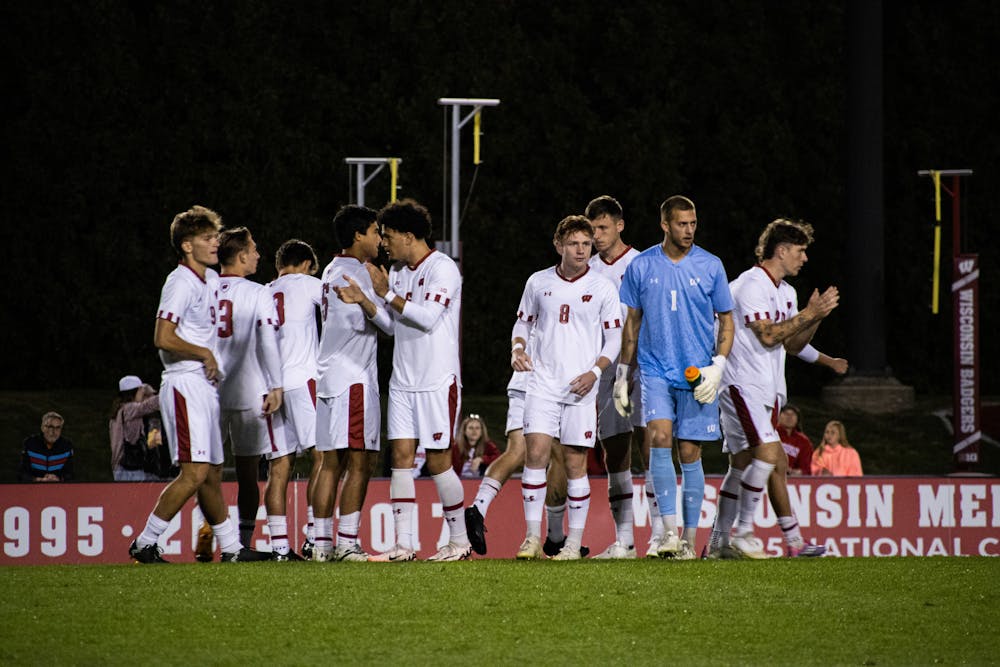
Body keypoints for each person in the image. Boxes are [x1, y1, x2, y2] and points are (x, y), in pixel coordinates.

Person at [129, 205, 267, 563]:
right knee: (193, 474)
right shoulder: (180, 282)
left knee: (212, 474)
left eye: (215, 237)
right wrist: (204, 353)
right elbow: (163, 336)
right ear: (187, 246)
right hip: (184, 384)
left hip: (206, 387)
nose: (214, 243)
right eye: (207, 238)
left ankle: (233, 549)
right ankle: (145, 541)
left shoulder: (207, 280)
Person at [707, 218, 839, 560]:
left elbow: (792, 342)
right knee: (770, 456)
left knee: (743, 465)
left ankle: (719, 543)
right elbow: (768, 334)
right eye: (800, 251)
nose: (804, 258)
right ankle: (744, 533)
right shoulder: (751, 285)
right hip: (741, 384)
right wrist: (808, 313)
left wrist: (815, 316)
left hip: (767, 390)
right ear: (781, 250)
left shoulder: (786, 291)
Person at [616, 195, 735, 559]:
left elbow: (727, 321)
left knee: (690, 452)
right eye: (682, 224)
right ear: (665, 225)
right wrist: (624, 373)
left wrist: (718, 365)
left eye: (693, 223)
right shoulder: (641, 265)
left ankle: (688, 538)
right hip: (655, 369)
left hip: (698, 373)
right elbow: (632, 322)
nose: (689, 230)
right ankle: (667, 532)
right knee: (659, 439)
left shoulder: (711, 266)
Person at [364, 198, 472, 562]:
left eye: (389, 235)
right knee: (400, 458)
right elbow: (394, 327)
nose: (384, 243)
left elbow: (426, 318)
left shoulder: (443, 269)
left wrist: (386, 295)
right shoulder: (397, 272)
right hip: (402, 381)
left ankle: (459, 541)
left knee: (440, 461)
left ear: (409, 236)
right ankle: (404, 545)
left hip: (437, 380)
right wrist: (368, 304)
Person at [510, 214, 622, 561]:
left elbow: (614, 337)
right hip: (542, 383)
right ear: (558, 245)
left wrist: (595, 372)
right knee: (536, 455)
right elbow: (522, 323)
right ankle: (531, 537)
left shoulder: (602, 287)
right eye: (574, 244)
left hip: (580, 387)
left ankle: (572, 544)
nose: (581, 250)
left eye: (586, 245)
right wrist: (517, 349)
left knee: (575, 463)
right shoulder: (538, 282)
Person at [311, 205, 392, 562]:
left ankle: (321, 544)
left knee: (332, 463)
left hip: (331, 377)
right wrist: (374, 296)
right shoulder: (356, 274)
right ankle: (345, 544)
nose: (379, 238)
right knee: (362, 462)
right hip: (353, 379)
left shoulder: (331, 269)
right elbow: (389, 326)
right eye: (375, 231)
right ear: (358, 236)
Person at [464, 338, 589, 559]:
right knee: (559, 454)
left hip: (522, 377)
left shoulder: (529, 303)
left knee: (516, 451)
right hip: (550, 380)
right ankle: (555, 536)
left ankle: (478, 507)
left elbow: (521, 327)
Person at [585, 195, 658, 560]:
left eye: (603, 227)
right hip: (607, 366)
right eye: (593, 228)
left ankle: (662, 535)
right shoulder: (589, 270)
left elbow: (647, 314)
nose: (597, 235)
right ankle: (625, 541)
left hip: (644, 363)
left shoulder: (642, 262)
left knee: (650, 442)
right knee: (614, 447)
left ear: (620, 226)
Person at [215, 227, 286, 557]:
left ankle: (216, 537)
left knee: (206, 474)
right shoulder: (258, 292)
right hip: (248, 393)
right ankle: (241, 544)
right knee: (247, 474)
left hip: (210, 394)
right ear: (241, 256)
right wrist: (276, 385)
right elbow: (268, 341)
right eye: (254, 249)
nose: (258, 255)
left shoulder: (204, 289)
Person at [268, 239, 324, 557]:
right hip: (303, 379)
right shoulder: (308, 283)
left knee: (279, 466)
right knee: (323, 457)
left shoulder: (265, 289)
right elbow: (338, 303)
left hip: (271, 387)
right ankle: (315, 536)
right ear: (305, 264)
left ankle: (278, 546)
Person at [108, 375, 161, 481]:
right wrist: (159, 391)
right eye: (141, 392)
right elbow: (152, 404)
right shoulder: (130, 409)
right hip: (129, 467)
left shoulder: (120, 409)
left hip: (121, 465)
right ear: (134, 392)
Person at [19, 412, 74, 482]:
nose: (54, 432)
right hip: (34, 488)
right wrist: (39, 480)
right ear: (42, 428)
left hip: (59, 488)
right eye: (50, 427)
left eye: (58, 428)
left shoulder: (67, 446)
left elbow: (70, 474)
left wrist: (58, 479)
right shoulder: (30, 443)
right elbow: (22, 474)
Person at [777, 404, 813, 476]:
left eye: (793, 414)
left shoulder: (804, 441)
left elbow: (806, 468)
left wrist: (798, 472)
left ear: (797, 419)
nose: (789, 417)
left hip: (793, 481)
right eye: (786, 414)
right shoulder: (772, 434)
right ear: (779, 416)